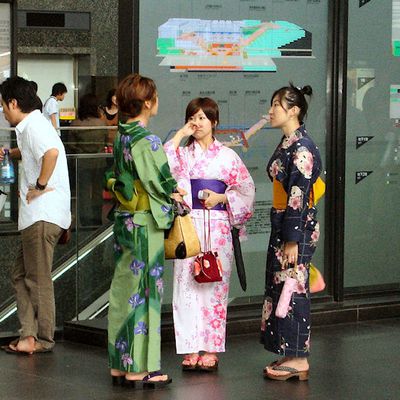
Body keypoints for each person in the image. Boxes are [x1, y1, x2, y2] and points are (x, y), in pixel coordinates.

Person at [164, 97, 255, 371]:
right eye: (193, 117)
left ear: (214, 122)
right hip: (189, 226)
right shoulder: (182, 154)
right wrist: (181, 134)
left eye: (203, 117)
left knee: (215, 286)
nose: (197, 122)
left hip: (217, 227)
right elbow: (163, 161)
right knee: (186, 286)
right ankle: (190, 348)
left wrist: (223, 196)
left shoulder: (228, 156)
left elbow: (247, 189)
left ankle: (211, 348)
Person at [105, 73, 181, 387]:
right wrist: (175, 195)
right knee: (144, 293)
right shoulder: (146, 140)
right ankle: (139, 367)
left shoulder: (121, 134)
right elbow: (160, 181)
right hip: (144, 223)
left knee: (123, 290)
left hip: (124, 219)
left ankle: (118, 364)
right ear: (147, 102)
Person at [0, 76, 71, 354]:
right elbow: (38, 150)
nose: (4, 111)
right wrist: (10, 152)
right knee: (21, 274)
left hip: (42, 215)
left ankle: (41, 338)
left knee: (37, 278)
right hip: (38, 216)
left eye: (4, 105)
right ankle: (28, 334)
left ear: (14, 103)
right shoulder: (32, 126)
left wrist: (39, 185)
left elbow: (50, 153)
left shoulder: (34, 126)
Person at [260, 84, 323, 381]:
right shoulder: (289, 142)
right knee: (283, 285)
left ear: (294, 110)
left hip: (295, 225)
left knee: (294, 289)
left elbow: (298, 194)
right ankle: (290, 350)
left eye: (277, 105)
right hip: (285, 222)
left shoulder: (302, 147)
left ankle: (299, 359)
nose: (271, 110)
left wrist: (292, 238)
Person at [69, 93, 108, 226]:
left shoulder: (76, 124)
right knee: (97, 190)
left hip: (82, 161)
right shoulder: (102, 123)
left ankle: (85, 219)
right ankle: (97, 218)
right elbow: (106, 141)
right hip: (99, 160)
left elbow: (71, 145)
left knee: (83, 191)